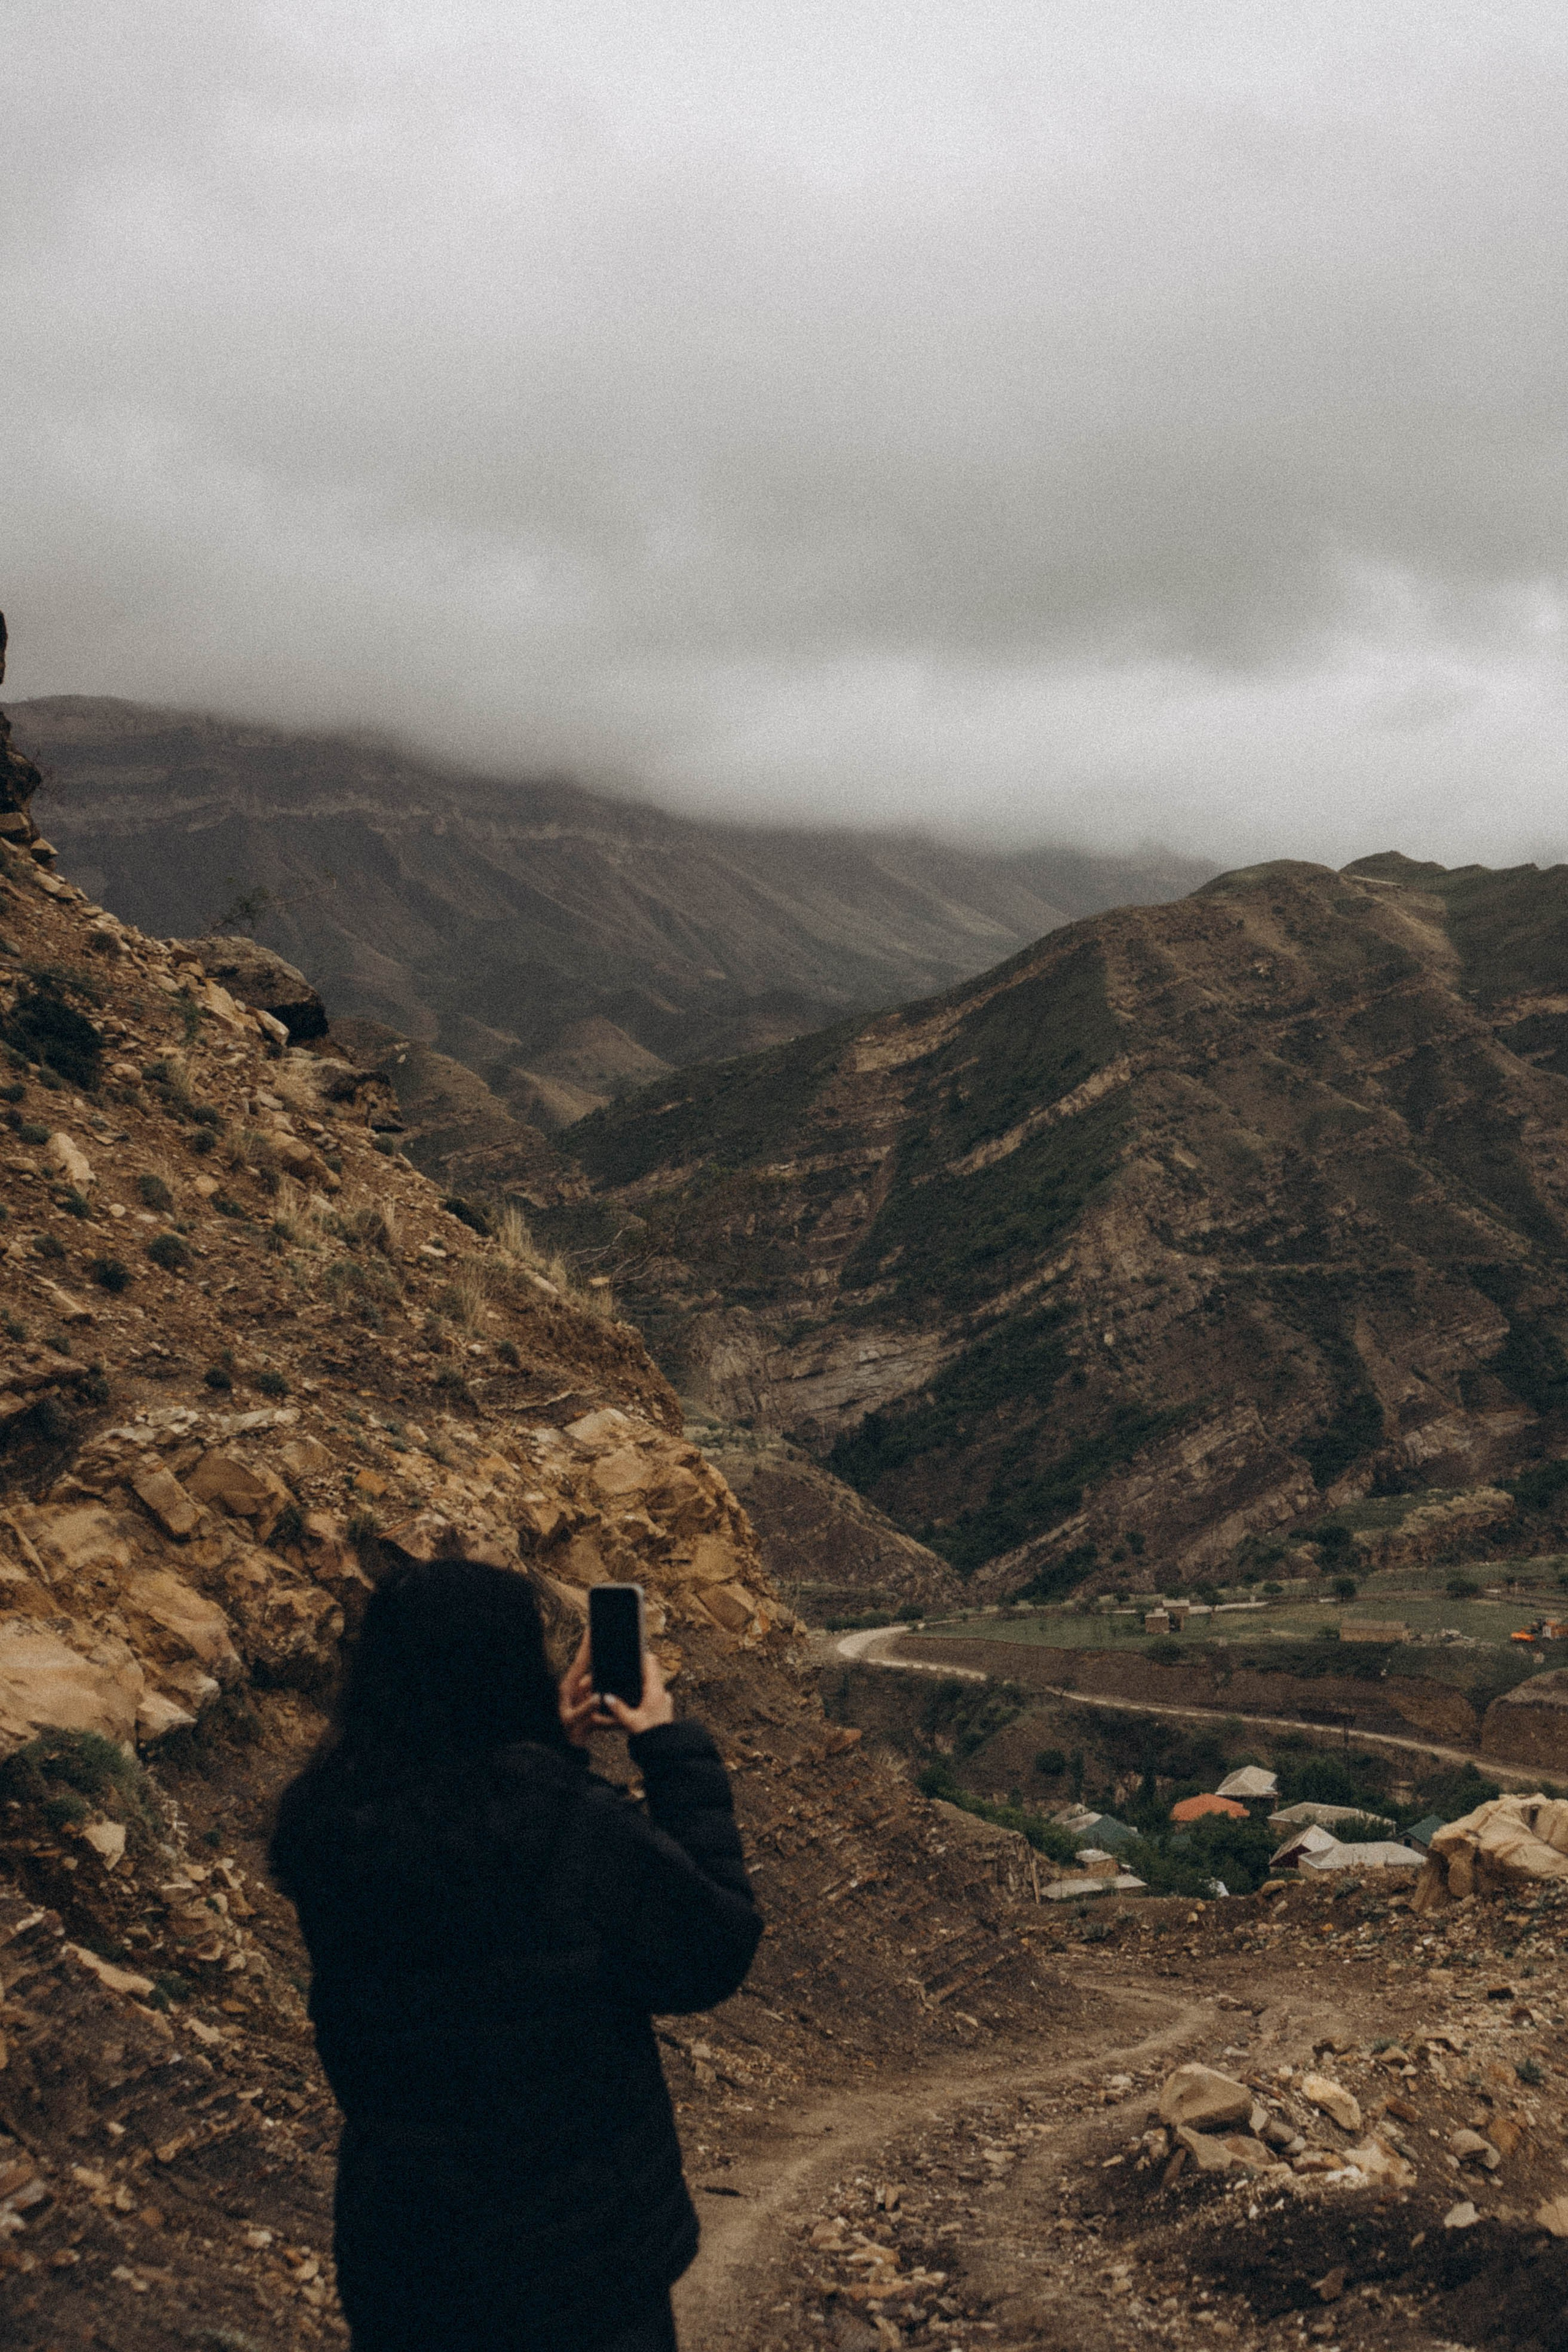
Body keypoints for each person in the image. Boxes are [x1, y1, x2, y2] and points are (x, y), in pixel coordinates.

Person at [270, 1553, 762, 2351]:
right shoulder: (564, 1821)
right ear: (509, 1668)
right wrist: (669, 1748)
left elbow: (469, 1901)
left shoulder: (327, 1827)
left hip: (411, 2262)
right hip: (582, 2267)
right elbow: (711, 1950)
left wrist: (546, 1752)